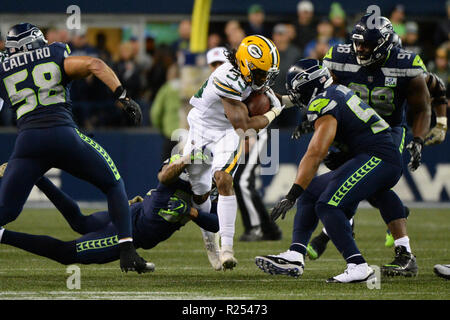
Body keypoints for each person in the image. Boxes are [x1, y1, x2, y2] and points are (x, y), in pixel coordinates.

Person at [0, 23, 147, 273]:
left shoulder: (3, 68)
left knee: (6, 211)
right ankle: (127, 250)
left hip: (28, 143)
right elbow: (95, 64)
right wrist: (123, 97)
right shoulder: (55, 52)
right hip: (64, 135)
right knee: (113, 184)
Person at [303, 15, 432, 277]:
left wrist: (418, 139)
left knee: (375, 182)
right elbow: (328, 95)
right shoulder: (340, 58)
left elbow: (421, 107)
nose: (360, 50)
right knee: (368, 186)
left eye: (367, 45)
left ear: (385, 44)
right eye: (357, 44)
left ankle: (395, 250)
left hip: (389, 133)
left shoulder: (405, 64)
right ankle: (402, 252)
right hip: (353, 132)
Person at [256, 59, 404, 283]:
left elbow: (315, 153)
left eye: (296, 90)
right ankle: (296, 254)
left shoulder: (324, 102)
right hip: (370, 155)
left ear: (309, 86)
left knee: (327, 204)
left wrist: (292, 194)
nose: (295, 95)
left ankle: (358, 266)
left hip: (378, 157)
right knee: (312, 191)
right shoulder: (333, 92)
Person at [183, 35, 291, 270]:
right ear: (245, 65)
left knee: (224, 178)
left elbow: (273, 99)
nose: (265, 78)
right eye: (262, 72)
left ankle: (227, 248)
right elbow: (243, 125)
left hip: (226, 133)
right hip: (203, 128)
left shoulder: (250, 75)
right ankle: (209, 239)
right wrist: (274, 113)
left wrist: (295, 100)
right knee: (200, 193)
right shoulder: (226, 77)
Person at [0, 155, 219, 268]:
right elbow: (163, 176)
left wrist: (192, 212)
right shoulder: (179, 170)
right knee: (67, 253)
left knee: (80, 223)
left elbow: (216, 223)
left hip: (137, 219)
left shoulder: (209, 191)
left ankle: (37, 177)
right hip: (133, 226)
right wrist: (185, 160)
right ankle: (2, 235)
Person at [150, 63, 182, 161]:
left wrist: (161, 127)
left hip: (170, 134)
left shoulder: (165, 89)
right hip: (187, 134)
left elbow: (155, 113)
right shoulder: (188, 89)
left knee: (168, 170)